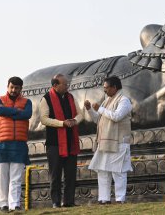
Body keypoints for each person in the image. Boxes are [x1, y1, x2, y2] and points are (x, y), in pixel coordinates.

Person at [85, 76, 133, 204]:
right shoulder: (107, 101)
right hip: (105, 141)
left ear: (114, 87)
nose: (104, 91)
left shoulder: (124, 100)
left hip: (119, 142)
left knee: (119, 171)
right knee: (102, 170)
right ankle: (104, 199)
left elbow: (117, 116)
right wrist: (90, 109)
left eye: (106, 88)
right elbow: (98, 120)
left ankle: (120, 199)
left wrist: (99, 109)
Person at [39, 74, 82, 208]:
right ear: (55, 86)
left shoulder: (70, 97)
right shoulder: (46, 99)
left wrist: (74, 121)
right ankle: (56, 202)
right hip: (54, 143)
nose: (67, 86)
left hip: (70, 141)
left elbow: (80, 114)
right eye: (64, 84)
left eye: (67, 84)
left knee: (70, 174)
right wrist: (62, 123)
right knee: (55, 174)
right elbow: (44, 119)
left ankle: (69, 201)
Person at [0, 76, 32, 213]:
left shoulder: (27, 102)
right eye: (11, 87)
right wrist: (17, 112)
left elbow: (28, 114)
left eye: (17, 88)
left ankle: (14, 204)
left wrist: (9, 112)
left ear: (21, 89)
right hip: (2, 143)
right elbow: (0, 111)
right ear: (7, 87)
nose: (14, 90)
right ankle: (3, 204)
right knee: (2, 176)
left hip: (19, 143)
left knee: (16, 177)